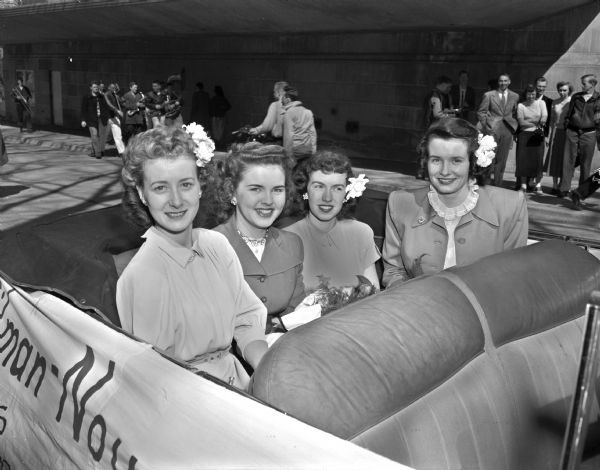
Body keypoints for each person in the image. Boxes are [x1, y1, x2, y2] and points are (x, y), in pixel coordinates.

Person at [116, 125, 267, 391]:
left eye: (185, 184)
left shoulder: (216, 245)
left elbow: (246, 316)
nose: (176, 201)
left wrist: (266, 365)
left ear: (200, 186)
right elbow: (156, 375)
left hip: (239, 383)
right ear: (142, 193)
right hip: (188, 400)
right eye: (160, 187)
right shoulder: (143, 275)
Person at [382, 117, 528, 288]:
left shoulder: (510, 207)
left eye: (456, 161)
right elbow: (393, 271)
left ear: (472, 162)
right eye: (436, 160)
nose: (445, 171)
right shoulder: (400, 204)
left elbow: (513, 277)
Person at [206, 142, 305, 332]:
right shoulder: (209, 246)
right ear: (231, 192)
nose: (268, 201)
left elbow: (295, 316)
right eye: (256, 189)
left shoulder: (293, 244)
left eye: (277, 189)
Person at [285, 150, 380, 291]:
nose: (327, 198)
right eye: (319, 186)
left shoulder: (361, 233)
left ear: (346, 193)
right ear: (305, 190)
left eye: (337, 188)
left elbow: (373, 293)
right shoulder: (286, 239)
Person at [558, 74, 600, 197]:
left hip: (589, 134)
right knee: (568, 160)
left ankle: (581, 192)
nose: (582, 85)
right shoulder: (576, 97)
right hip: (572, 132)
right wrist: (567, 127)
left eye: (584, 83)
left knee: (585, 163)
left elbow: (599, 121)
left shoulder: (598, 99)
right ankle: (564, 189)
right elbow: (569, 114)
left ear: (592, 84)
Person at [477, 73, 520, 186]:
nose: (503, 83)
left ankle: (497, 184)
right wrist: (486, 127)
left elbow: (515, 112)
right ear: (498, 82)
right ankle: (485, 182)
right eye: (501, 81)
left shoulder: (515, 96)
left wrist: (513, 126)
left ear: (509, 82)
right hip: (493, 129)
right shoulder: (489, 95)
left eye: (505, 81)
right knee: (489, 157)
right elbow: (481, 112)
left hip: (507, 129)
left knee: (502, 159)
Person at [418, 75, 455, 179]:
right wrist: (450, 115)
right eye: (448, 87)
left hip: (430, 127)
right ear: (442, 85)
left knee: (426, 150)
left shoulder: (434, 94)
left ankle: (422, 172)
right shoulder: (436, 96)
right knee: (430, 151)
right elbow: (437, 114)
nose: (449, 89)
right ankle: (425, 173)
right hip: (433, 128)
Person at [515, 84, 547, 194]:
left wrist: (536, 122)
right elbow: (521, 122)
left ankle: (538, 185)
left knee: (538, 161)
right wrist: (536, 122)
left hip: (537, 135)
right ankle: (523, 185)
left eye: (533, 94)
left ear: (536, 94)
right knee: (523, 161)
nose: (531, 96)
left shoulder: (541, 103)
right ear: (525, 94)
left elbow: (544, 118)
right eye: (529, 94)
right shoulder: (521, 105)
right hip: (524, 136)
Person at [544, 81, 573, 194]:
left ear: (569, 90)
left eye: (564, 90)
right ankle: (555, 185)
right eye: (560, 90)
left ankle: (563, 185)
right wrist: (549, 135)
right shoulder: (555, 102)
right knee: (554, 159)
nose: (562, 92)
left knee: (565, 159)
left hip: (567, 132)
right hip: (555, 132)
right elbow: (551, 120)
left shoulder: (572, 102)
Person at [281, 85, 317, 165]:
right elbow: (312, 133)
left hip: (295, 150)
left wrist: (287, 155)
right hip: (308, 149)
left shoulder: (289, 113)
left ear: (288, 99)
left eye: (282, 98)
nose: (281, 101)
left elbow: (288, 136)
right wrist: (313, 150)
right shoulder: (308, 112)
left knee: (291, 174)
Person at [80, 80, 111, 159]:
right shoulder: (87, 97)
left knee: (99, 136)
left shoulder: (101, 96)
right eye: (94, 87)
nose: (96, 88)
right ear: (91, 88)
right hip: (91, 119)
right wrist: (83, 120)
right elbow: (83, 109)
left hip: (101, 119)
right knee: (94, 135)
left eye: (97, 87)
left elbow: (106, 108)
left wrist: (107, 117)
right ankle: (98, 153)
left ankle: (94, 151)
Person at [104, 83, 125, 158]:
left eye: (115, 88)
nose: (114, 89)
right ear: (109, 88)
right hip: (107, 117)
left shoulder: (115, 95)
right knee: (103, 135)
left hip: (114, 117)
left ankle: (122, 152)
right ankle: (97, 150)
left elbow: (122, 101)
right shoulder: (106, 94)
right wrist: (117, 111)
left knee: (118, 135)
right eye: (112, 88)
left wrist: (119, 93)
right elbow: (108, 104)